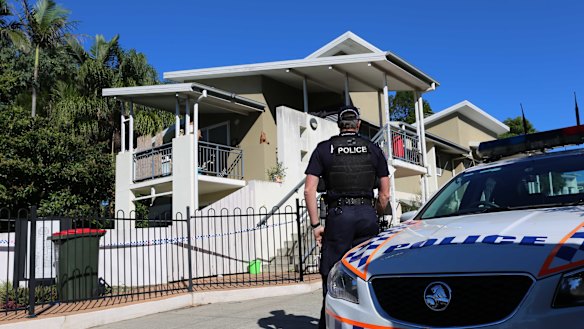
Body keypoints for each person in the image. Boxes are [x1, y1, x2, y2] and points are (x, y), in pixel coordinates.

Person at [304, 105, 390, 329]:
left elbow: (308, 190)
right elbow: (385, 194)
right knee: (365, 271)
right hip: (366, 215)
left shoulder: (324, 149)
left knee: (332, 271)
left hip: (339, 216)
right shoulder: (373, 149)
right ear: (358, 124)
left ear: (339, 125)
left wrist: (316, 225)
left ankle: (329, 323)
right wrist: (376, 214)